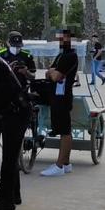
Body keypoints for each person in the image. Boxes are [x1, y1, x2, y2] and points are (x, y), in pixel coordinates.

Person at [0, 31, 35, 210]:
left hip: (17, 111)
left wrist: (25, 72)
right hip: (11, 111)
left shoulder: (0, 64)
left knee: (9, 158)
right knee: (10, 157)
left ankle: (6, 200)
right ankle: (15, 195)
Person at [40, 29, 79, 177]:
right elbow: (48, 72)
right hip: (56, 97)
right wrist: (51, 71)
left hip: (63, 98)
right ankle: (67, 163)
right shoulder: (61, 55)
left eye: (65, 39)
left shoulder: (70, 56)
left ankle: (59, 165)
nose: (62, 42)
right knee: (62, 129)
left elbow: (55, 75)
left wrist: (51, 71)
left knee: (64, 131)